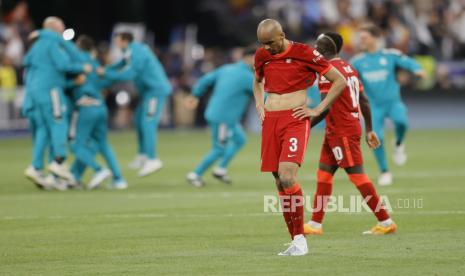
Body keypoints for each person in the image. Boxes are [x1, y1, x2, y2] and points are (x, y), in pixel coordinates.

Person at [253, 19, 346, 256]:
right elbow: (257, 81)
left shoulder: (305, 53)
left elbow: (339, 80)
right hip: (271, 121)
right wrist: (259, 104)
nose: (268, 48)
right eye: (263, 44)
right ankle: (295, 238)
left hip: (295, 119)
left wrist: (318, 110)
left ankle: (301, 240)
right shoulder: (262, 55)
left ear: (282, 35)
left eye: (271, 43)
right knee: (278, 181)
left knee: (287, 176)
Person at [303, 32, 397, 236]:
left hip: (342, 130)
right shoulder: (349, 68)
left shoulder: (329, 71)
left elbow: (325, 107)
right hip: (338, 129)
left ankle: (386, 221)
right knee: (324, 174)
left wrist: (304, 127)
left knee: (357, 176)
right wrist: (369, 129)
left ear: (326, 49)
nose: (314, 50)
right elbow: (363, 99)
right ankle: (315, 224)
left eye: (317, 46)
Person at [350, 23, 425, 186]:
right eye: (360, 37)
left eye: (364, 37)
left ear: (376, 38)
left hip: (393, 102)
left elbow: (408, 62)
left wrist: (417, 69)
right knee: (376, 138)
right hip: (373, 107)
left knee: (402, 123)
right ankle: (384, 171)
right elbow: (348, 79)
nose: (360, 40)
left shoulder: (390, 55)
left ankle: (398, 144)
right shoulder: (357, 61)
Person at [23, 17, 91, 186]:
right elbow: (63, 64)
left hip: (34, 92)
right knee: (59, 122)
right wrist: (83, 67)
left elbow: (27, 64)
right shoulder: (52, 43)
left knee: (43, 130)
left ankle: (36, 167)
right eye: (61, 27)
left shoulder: (36, 44)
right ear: (54, 28)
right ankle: (58, 162)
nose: (63, 31)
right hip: (50, 88)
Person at [185, 48, 255, 187]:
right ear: (249, 58)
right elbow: (263, 96)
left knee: (240, 140)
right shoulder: (247, 76)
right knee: (219, 149)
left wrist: (195, 95)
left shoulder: (227, 68)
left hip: (219, 113)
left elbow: (204, 80)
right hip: (224, 118)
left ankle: (220, 169)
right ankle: (194, 174)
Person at [107, 32, 172, 177]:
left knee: (148, 122)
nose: (116, 44)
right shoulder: (129, 51)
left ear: (125, 40)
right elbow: (122, 64)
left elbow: (130, 73)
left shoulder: (138, 51)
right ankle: (143, 155)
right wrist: (106, 69)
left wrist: (107, 75)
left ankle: (153, 159)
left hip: (155, 91)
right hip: (148, 92)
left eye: (117, 40)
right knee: (138, 120)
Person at [68, 35, 128, 190]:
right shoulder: (95, 64)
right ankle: (119, 179)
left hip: (86, 106)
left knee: (76, 144)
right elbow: (107, 80)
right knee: (103, 144)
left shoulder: (77, 61)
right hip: (100, 107)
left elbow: (67, 79)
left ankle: (98, 169)